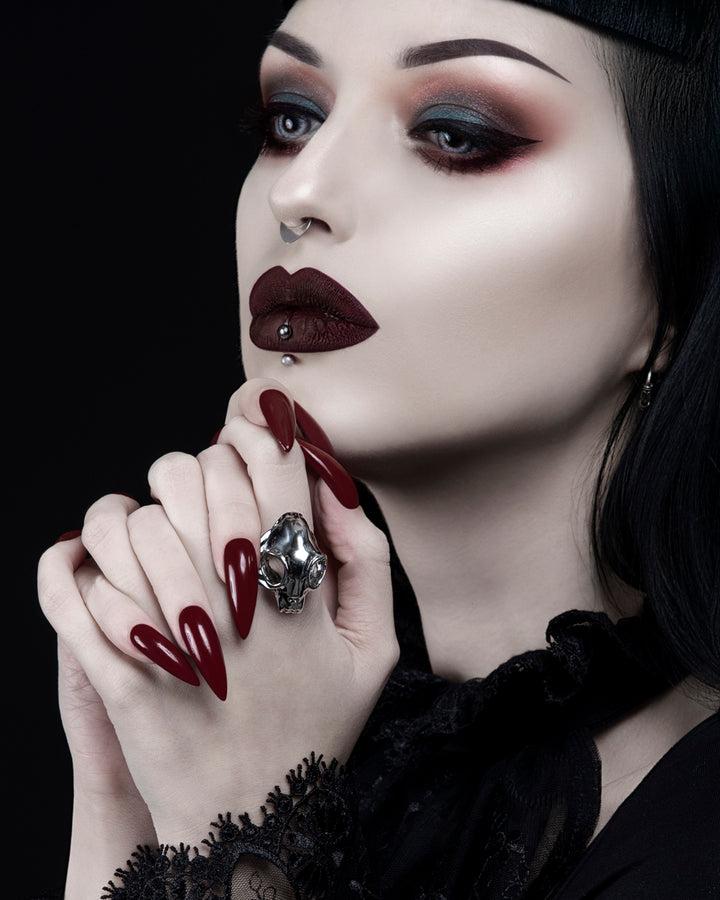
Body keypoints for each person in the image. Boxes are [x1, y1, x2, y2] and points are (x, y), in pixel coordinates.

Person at [33, 0, 719, 897]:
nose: (298, 191)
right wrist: (120, 807)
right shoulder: (264, 741)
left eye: (456, 134)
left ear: (680, 265)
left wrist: (244, 835)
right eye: (291, 120)